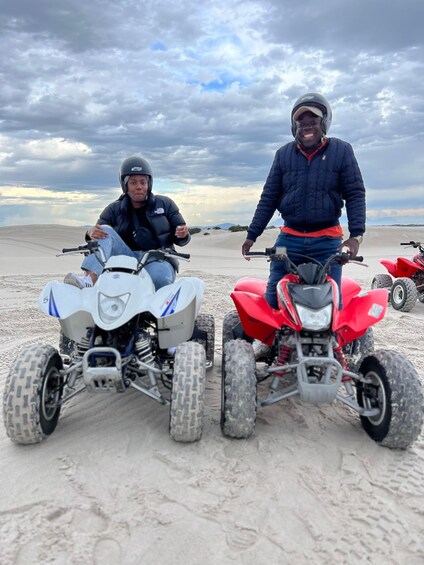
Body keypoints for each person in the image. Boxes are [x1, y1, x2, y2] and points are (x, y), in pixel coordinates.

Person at [241, 92, 366, 357]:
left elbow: (355, 193)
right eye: (301, 121)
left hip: (328, 240)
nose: (307, 125)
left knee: (332, 300)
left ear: (325, 123)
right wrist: (252, 234)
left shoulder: (342, 151)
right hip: (290, 238)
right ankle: (270, 341)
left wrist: (356, 236)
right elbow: (269, 197)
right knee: (274, 293)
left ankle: (333, 349)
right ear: (293, 125)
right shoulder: (283, 155)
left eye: (314, 120)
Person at [65, 155, 190, 290]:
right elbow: (99, 236)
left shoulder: (165, 204)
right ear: (125, 186)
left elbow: (181, 238)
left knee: (159, 280)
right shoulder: (113, 209)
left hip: (158, 258)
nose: (139, 187)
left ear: (149, 184)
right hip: (125, 259)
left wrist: (183, 234)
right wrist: (90, 232)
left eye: (143, 182)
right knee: (104, 230)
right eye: (133, 183)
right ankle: (89, 280)